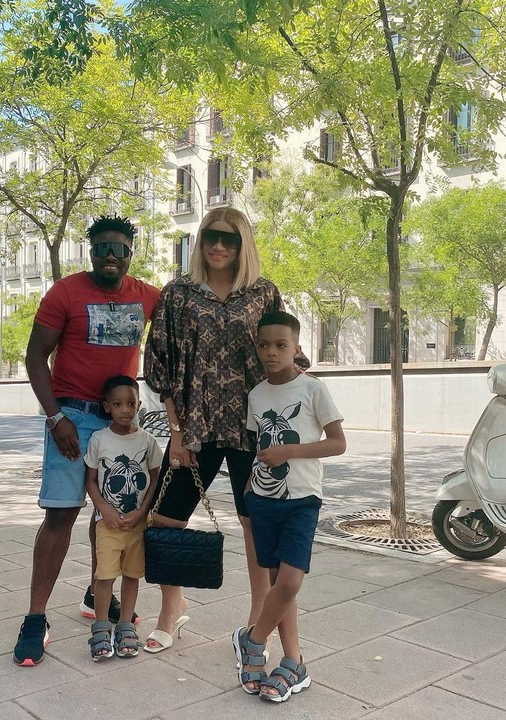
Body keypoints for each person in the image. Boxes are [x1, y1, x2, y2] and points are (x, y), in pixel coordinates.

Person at [13, 215, 160, 666]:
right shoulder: (65, 293)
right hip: (71, 417)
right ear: (90, 251)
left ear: (131, 253)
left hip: (121, 422)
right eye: (102, 248)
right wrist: (55, 416)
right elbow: (35, 356)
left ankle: (98, 597)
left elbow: (194, 327)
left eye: (120, 249)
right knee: (61, 515)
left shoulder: (147, 296)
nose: (111, 257)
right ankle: (35, 618)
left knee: (111, 516)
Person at [142, 206, 283, 653]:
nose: (219, 246)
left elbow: (282, 353)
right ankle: (172, 610)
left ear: (243, 245)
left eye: (230, 239)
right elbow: (160, 364)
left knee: (255, 523)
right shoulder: (178, 294)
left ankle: (258, 622)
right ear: (200, 240)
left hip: (251, 429)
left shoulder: (263, 294)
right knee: (167, 518)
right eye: (211, 237)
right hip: (193, 427)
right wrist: (175, 432)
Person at [234, 311, 345, 703]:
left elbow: (338, 443)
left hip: (302, 501)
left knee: (291, 581)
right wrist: (248, 490)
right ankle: (293, 662)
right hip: (262, 501)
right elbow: (258, 446)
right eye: (264, 345)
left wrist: (290, 451)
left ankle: (252, 640)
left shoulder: (313, 389)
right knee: (279, 585)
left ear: (296, 347)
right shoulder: (257, 394)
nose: (271, 352)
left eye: (280, 345)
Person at [84, 375, 162, 660]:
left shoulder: (147, 441)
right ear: (107, 406)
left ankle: (126, 625)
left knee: (132, 574)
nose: (125, 410)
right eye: (117, 404)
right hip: (107, 524)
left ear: (139, 405)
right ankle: (101, 627)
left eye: (131, 403)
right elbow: (91, 480)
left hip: (137, 525)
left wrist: (142, 511)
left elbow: (155, 479)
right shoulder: (99, 440)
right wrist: (103, 508)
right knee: (104, 576)